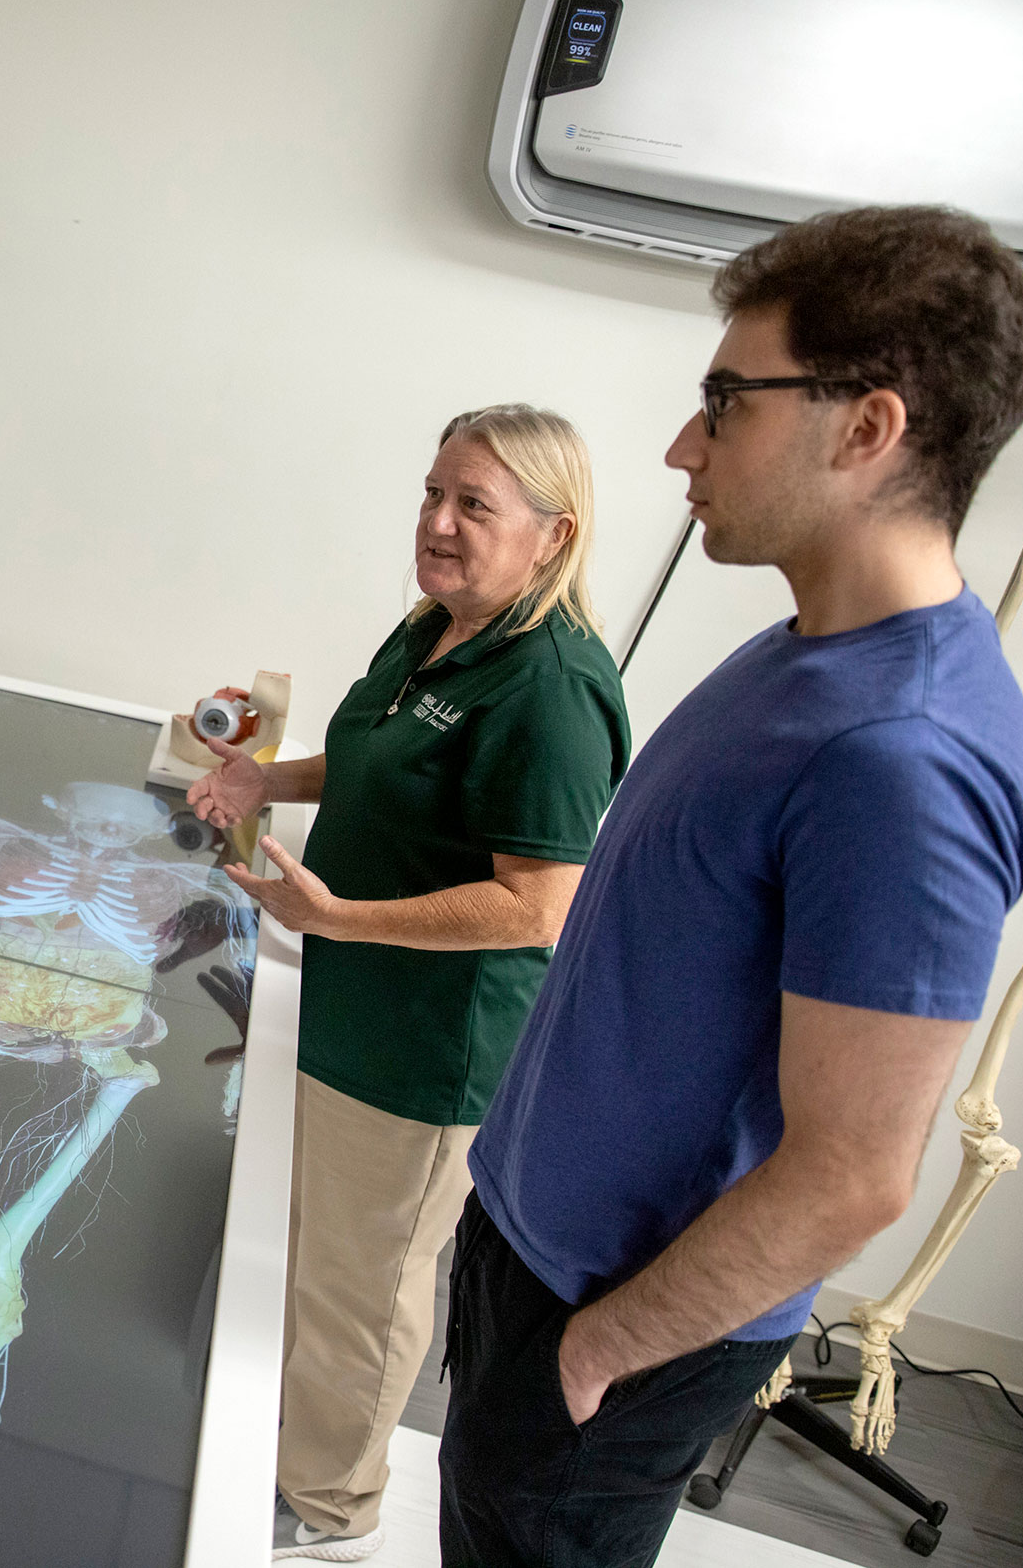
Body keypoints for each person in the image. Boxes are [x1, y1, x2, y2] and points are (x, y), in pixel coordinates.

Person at [440, 206, 1023, 1567]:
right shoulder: (808, 652)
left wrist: (597, 1351)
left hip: (611, 1322)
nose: (680, 445)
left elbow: (853, 1173)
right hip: (535, 1257)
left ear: (868, 426)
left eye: (725, 400)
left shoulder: (908, 753)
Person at [188, 406, 630, 1561]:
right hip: (338, 1002)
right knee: (309, 1262)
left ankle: (330, 1514)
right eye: (433, 493)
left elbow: (538, 905)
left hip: (422, 1052)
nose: (436, 523)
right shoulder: (435, 629)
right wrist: (266, 776)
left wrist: (342, 916)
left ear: (553, 533)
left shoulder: (555, 686)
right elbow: (379, 759)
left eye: (473, 506)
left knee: (360, 1294)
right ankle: (274, 1458)